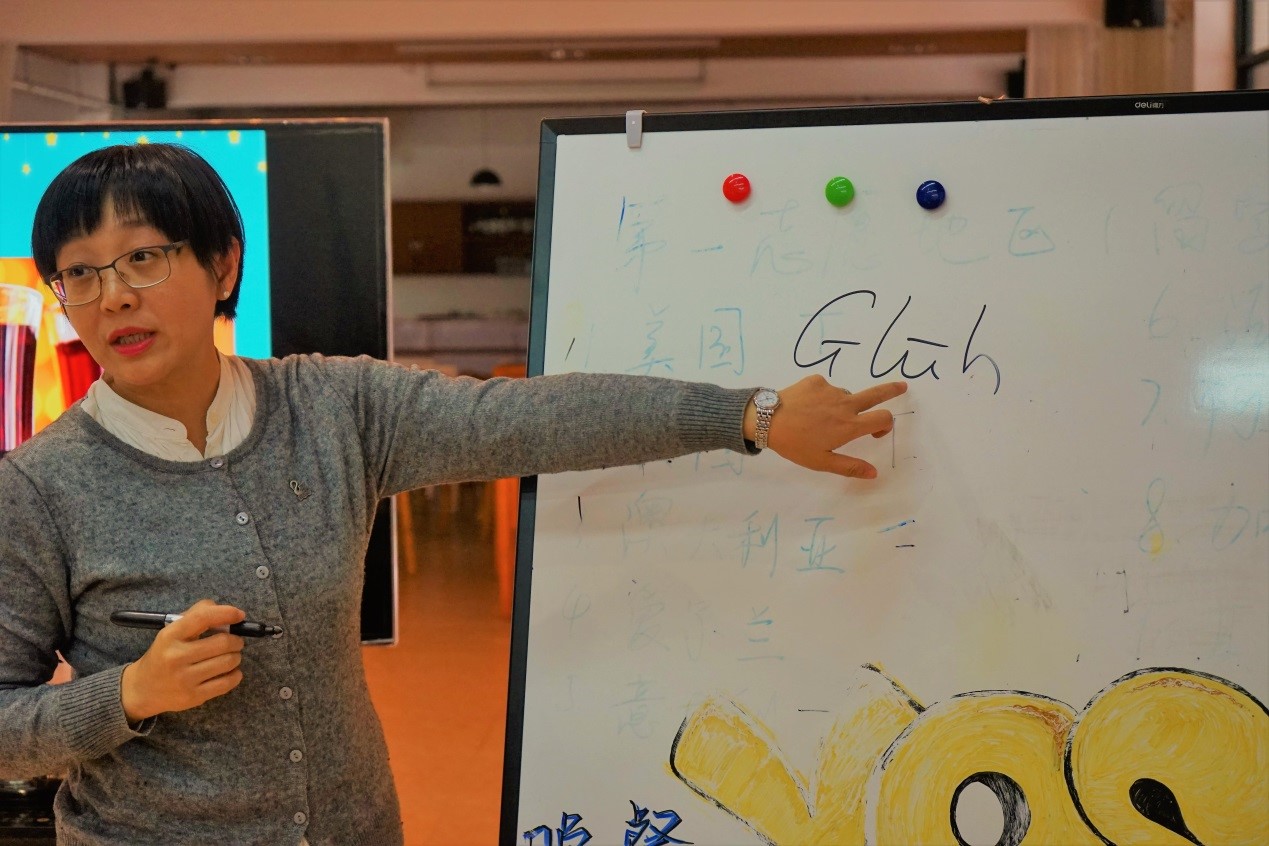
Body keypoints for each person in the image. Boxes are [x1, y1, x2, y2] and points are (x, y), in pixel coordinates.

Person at [0, 143, 906, 846]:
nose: (113, 297)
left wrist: (746, 415)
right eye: (80, 273)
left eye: (144, 257)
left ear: (223, 265)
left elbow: (528, 420)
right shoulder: (40, 487)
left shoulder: (335, 409)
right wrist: (129, 695)